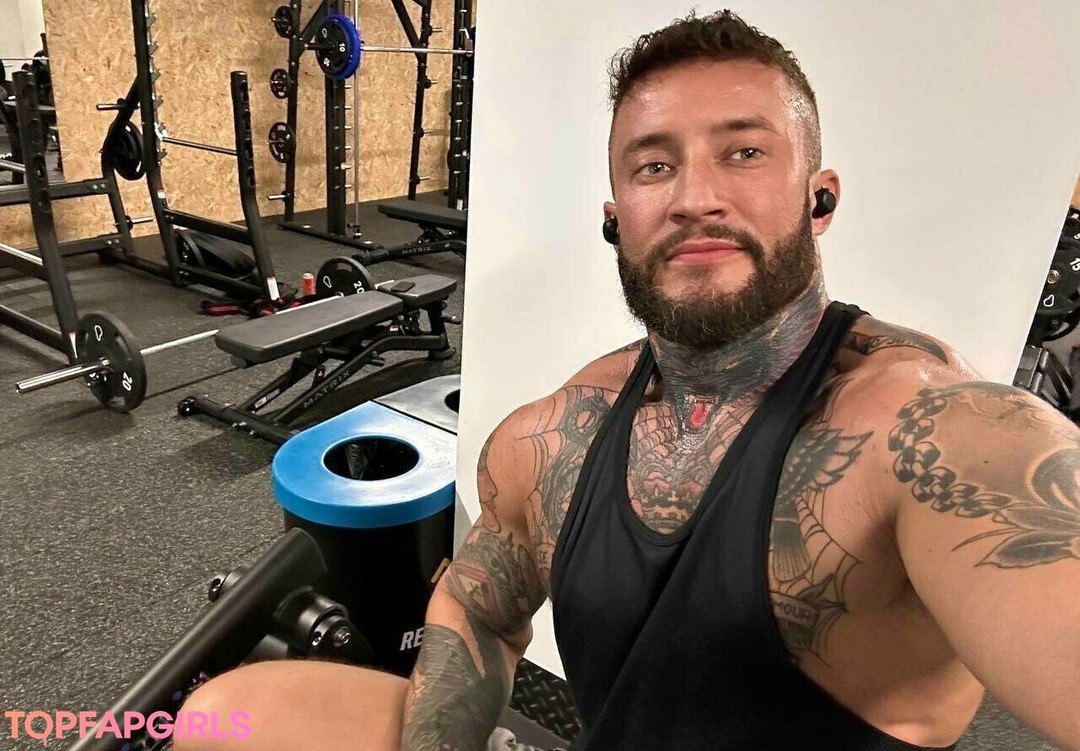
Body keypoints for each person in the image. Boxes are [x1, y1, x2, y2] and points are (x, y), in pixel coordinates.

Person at [176, 9, 1080, 751]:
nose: (694, 197)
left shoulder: (931, 432)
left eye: (744, 152)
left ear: (820, 197)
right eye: (655, 165)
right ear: (618, 219)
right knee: (229, 717)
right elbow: (478, 608)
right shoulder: (554, 434)